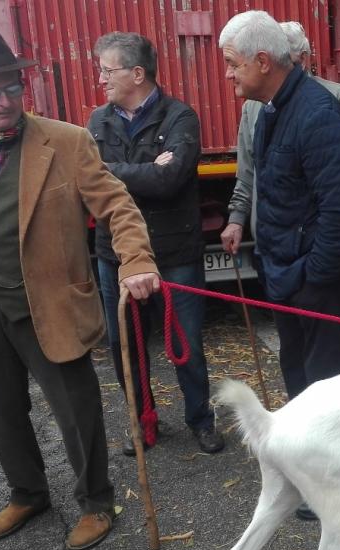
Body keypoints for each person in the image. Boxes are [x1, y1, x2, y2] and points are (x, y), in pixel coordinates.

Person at [0, 30, 161, 550]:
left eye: (10, 87)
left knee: (77, 412)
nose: (2, 100)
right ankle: (28, 492)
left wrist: (136, 261)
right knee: (3, 413)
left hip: (52, 304)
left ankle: (97, 500)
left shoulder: (67, 141)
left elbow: (118, 206)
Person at [218, 11, 340, 519]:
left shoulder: (318, 113)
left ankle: (336, 483)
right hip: (282, 272)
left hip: (311, 282)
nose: (229, 74)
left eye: (234, 64)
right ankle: (309, 470)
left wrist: (309, 279)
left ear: (263, 61)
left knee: (330, 381)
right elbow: (271, 192)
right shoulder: (270, 110)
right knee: (299, 375)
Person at [87, 32, 224, 456]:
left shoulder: (180, 116)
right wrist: (143, 168)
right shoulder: (99, 120)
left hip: (175, 254)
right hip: (116, 254)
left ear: (137, 73)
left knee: (186, 344)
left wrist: (113, 169)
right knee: (124, 344)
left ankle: (200, 420)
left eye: (108, 71)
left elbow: (170, 181)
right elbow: (91, 181)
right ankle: (143, 421)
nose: (101, 80)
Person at [221, 21, 340, 259]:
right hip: (272, 245)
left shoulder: (335, 98)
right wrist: (237, 218)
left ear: (303, 58)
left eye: (288, 59)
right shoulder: (253, 108)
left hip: (315, 247)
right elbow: (248, 171)